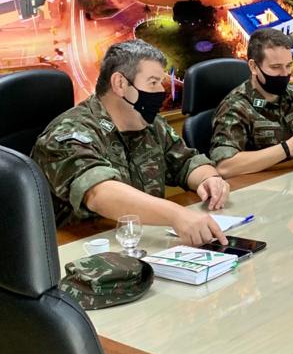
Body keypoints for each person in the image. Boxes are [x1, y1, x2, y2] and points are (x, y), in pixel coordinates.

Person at [33, 40, 229, 246]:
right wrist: (176, 215)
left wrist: (209, 179)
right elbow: (99, 194)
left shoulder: (150, 123)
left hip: (141, 242)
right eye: (152, 82)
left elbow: (187, 162)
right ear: (120, 83)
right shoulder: (68, 134)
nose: (160, 92)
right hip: (82, 253)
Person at [209, 29, 293, 178]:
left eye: (288, 66)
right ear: (254, 67)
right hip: (260, 190)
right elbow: (224, 166)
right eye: (276, 67)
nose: (285, 74)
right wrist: (288, 148)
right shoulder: (235, 107)